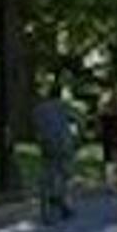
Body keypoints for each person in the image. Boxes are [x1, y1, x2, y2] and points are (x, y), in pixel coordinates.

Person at [32, 81, 79, 223]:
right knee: (65, 173)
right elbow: (75, 120)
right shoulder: (63, 106)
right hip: (64, 143)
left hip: (47, 144)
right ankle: (63, 202)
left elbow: (35, 126)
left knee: (48, 171)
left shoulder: (39, 109)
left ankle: (47, 203)